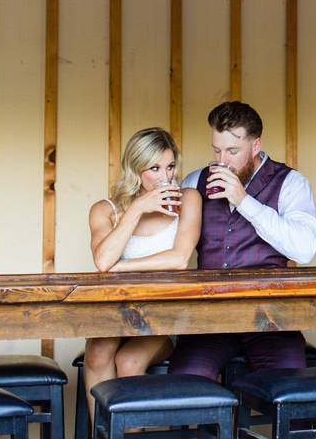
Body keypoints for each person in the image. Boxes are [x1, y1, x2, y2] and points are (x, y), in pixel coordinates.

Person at [170, 101, 316, 379]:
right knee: (186, 379)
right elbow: (166, 240)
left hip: (270, 318)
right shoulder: (195, 182)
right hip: (210, 320)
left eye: (233, 151)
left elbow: (305, 249)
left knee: (290, 392)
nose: (222, 161)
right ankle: (212, 424)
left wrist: (243, 201)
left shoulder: (291, 183)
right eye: (217, 150)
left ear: (255, 146)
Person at [83, 127, 201, 421]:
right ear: (135, 170)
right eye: (155, 168)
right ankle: (105, 431)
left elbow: (179, 259)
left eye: (170, 166)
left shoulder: (188, 199)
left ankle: (128, 431)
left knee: (130, 359)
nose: (165, 177)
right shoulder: (105, 210)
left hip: (167, 315)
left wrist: (120, 268)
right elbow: (103, 259)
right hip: (117, 313)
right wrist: (137, 208)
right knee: (97, 351)